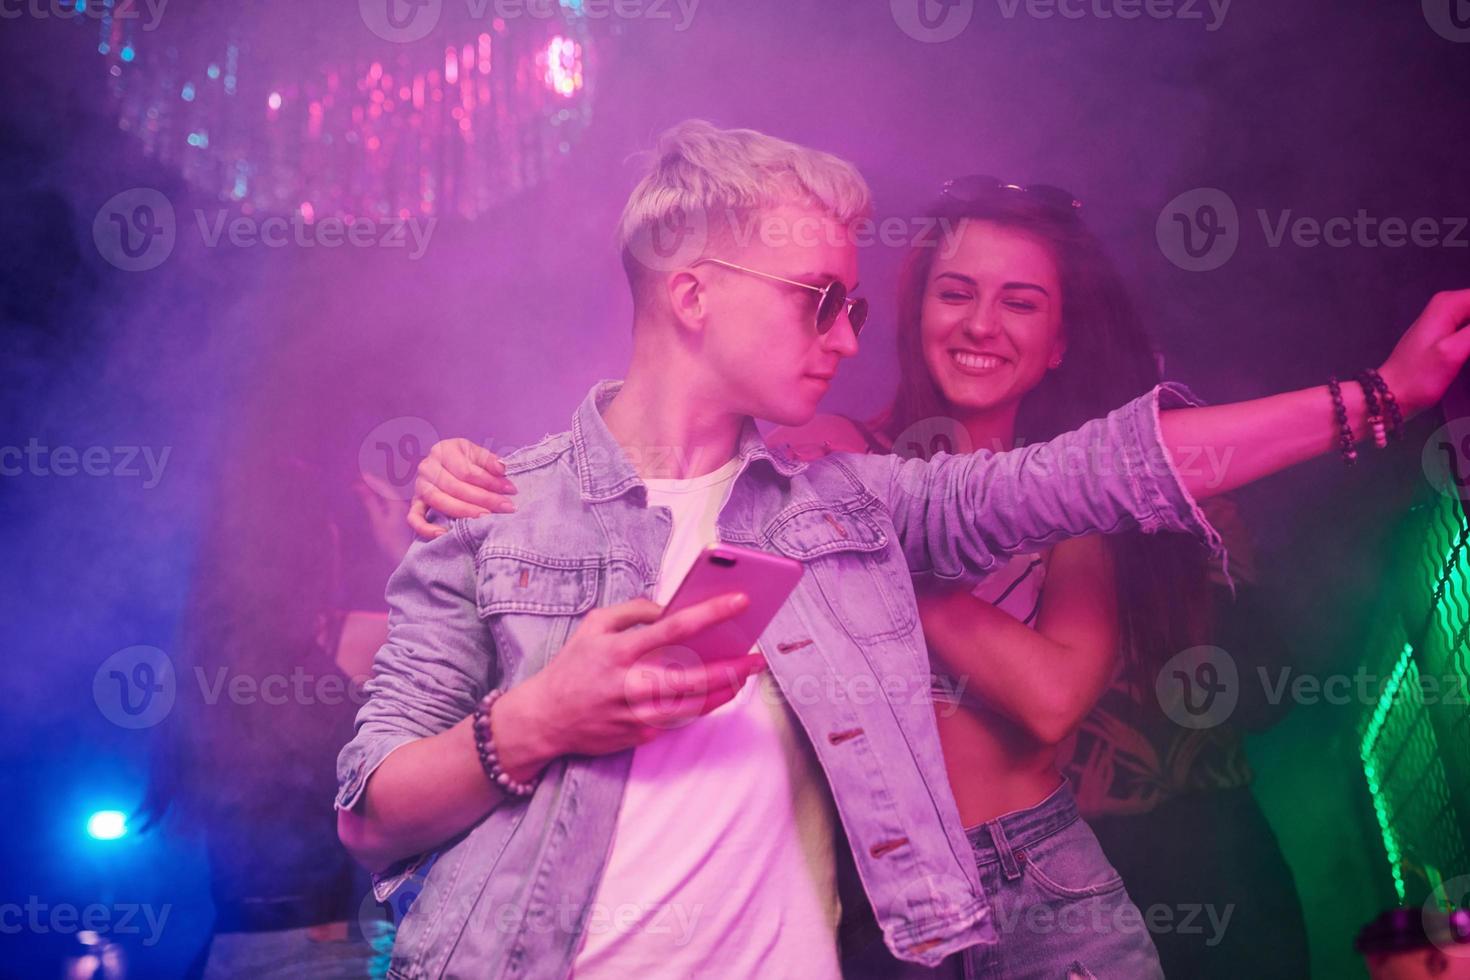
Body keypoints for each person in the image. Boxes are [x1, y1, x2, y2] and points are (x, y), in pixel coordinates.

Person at [336, 118, 1470, 980]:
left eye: (858, 309)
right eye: (819, 299)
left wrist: (1377, 394)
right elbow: (369, 808)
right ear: (692, 294)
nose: (846, 336)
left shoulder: (842, 507)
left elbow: (1098, 470)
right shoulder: (493, 505)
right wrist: (545, 714)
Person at [138, 445, 408, 979]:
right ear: (309, 545)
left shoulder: (198, 659)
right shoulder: (352, 642)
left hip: (232, 949)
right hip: (338, 951)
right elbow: (474, 645)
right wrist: (402, 548)